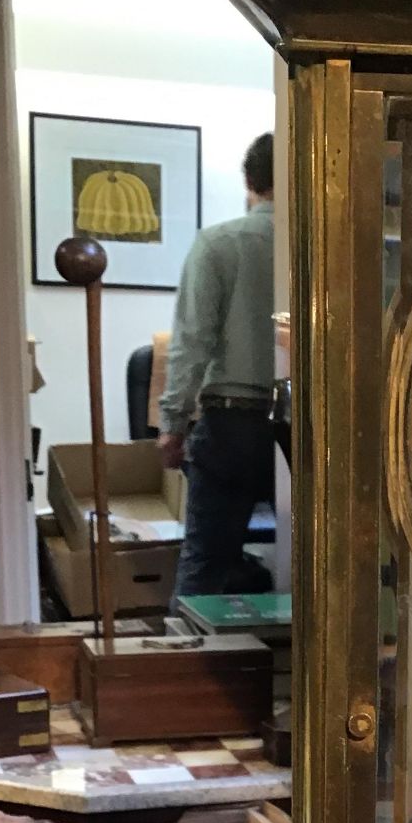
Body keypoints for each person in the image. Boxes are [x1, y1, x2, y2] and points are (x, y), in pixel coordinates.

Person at [158, 133, 277, 599]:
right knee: (315, 561)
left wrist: (173, 424)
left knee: (206, 560)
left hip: (231, 422)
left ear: (250, 181)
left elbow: (191, 343)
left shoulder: (218, 244)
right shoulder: (328, 248)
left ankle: (191, 663)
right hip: (309, 426)